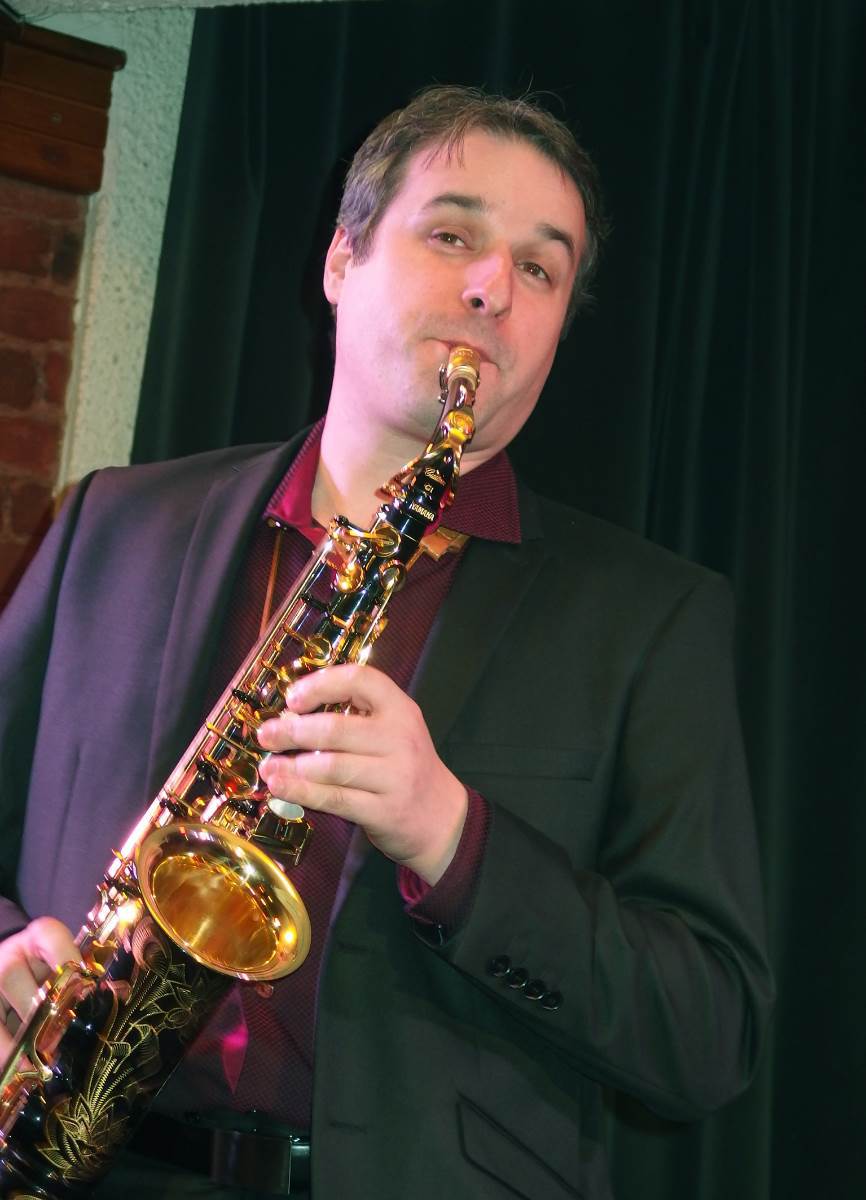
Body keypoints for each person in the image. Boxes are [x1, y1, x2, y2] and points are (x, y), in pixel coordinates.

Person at [0, 86, 774, 1199]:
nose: (491, 288)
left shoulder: (651, 618)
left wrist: (452, 837)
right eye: (452, 234)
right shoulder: (111, 525)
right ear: (340, 259)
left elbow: (707, 1035)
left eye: (540, 268)